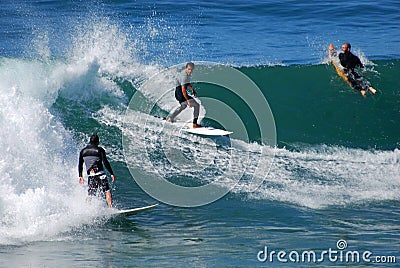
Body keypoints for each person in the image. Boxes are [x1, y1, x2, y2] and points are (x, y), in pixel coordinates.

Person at [78, 134, 116, 208]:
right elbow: (105, 162)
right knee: (107, 191)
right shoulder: (100, 150)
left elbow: (80, 164)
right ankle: (110, 207)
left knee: (90, 194)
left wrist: (80, 176)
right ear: (97, 142)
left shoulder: (83, 151)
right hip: (101, 174)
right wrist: (111, 173)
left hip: (91, 176)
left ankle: (86, 209)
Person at [166, 62, 202, 128]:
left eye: (191, 70)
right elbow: (183, 90)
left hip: (178, 93)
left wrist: (192, 90)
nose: (190, 71)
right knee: (197, 105)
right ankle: (195, 124)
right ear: (186, 68)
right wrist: (188, 101)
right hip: (180, 94)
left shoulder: (186, 73)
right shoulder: (184, 76)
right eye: (189, 69)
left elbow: (187, 83)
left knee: (183, 106)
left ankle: (171, 118)